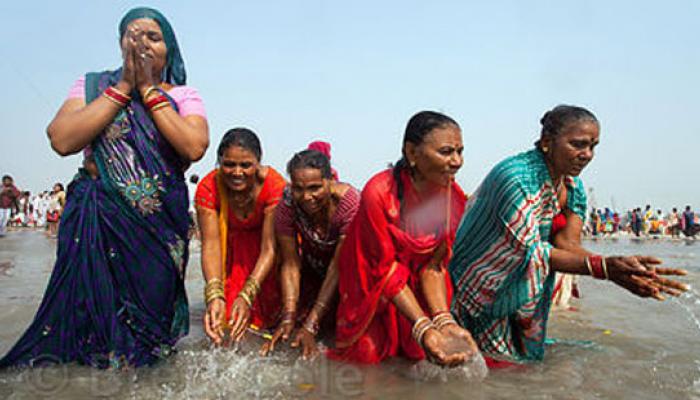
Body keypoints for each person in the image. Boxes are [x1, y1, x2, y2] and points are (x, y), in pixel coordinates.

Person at [0, 7, 209, 369]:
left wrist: (147, 89)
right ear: (119, 43)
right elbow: (62, 139)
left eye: (153, 37)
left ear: (169, 49)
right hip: (95, 217)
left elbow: (193, 146)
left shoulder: (183, 94)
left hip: (155, 230)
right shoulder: (93, 86)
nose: (141, 42)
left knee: (150, 327)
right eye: (133, 34)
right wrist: (125, 88)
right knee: (85, 319)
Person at [449, 105, 687, 364]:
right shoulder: (517, 178)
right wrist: (604, 268)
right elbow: (530, 252)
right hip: (482, 284)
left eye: (593, 146)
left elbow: (567, 243)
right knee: (484, 365)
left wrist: (623, 271)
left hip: (522, 286)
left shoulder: (572, 185)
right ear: (547, 142)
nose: (587, 155)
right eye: (578, 145)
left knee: (525, 365)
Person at [330, 111, 478, 367]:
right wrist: (422, 327)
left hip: (418, 289)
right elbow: (383, 269)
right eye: (446, 151)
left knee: (425, 358)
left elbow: (433, 266)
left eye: (460, 151)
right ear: (412, 153)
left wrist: (443, 321)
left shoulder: (452, 199)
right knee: (366, 359)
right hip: (373, 286)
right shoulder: (379, 192)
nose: (456, 161)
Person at [260, 149, 360, 358]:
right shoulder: (288, 202)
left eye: (315, 188)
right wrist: (288, 316)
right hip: (313, 271)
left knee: (342, 340)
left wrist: (312, 324)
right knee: (290, 333)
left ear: (330, 180)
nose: (306, 197)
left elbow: (337, 267)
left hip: (348, 276)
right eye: (299, 188)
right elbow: (290, 263)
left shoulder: (349, 204)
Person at [196, 128, 286, 346]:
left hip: (267, 256)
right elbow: (210, 245)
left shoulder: (274, 186)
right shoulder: (208, 188)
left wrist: (247, 294)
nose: (237, 172)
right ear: (219, 162)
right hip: (231, 254)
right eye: (229, 164)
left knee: (270, 319)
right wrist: (214, 295)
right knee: (225, 321)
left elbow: (270, 249)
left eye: (245, 165)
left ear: (258, 163)